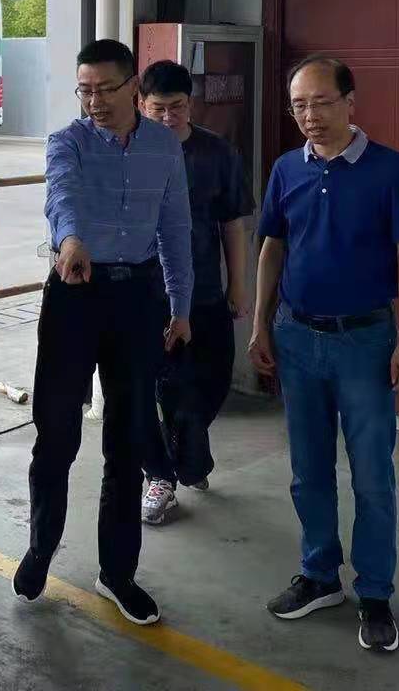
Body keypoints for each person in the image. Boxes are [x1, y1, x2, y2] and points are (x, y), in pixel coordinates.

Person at [249, 55, 399, 655]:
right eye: (299, 105)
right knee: (308, 470)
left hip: (365, 341)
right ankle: (320, 574)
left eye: (322, 102)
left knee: (372, 474)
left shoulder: (389, 170)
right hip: (297, 337)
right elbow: (272, 248)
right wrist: (260, 325)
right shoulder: (286, 169)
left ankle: (374, 592)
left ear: (351, 102)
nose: (311, 115)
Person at [14, 39, 193, 627]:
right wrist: (69, 240)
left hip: (137, 297)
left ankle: (117, 573)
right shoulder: (68, 141)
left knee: (128, 437)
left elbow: (175, 228)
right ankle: (41, 547)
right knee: (57, 432)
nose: (93, 101)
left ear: (133, 88)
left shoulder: (164, 145)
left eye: (105, 89)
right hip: (74, 292)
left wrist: (181, 306)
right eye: (84, 90)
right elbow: (60, 196)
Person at [136, 61, 254, 525]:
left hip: (204, 290)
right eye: (158, 109)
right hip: (150, 295)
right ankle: (162, 475)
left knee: (214, 381)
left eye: (178, 107)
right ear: (141, 105)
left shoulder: (216, 152)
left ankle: (189, 451)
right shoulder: (130, 152)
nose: (169, 118)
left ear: (191, 103)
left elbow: (233, 223)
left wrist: (238, 284)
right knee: (170, 387)